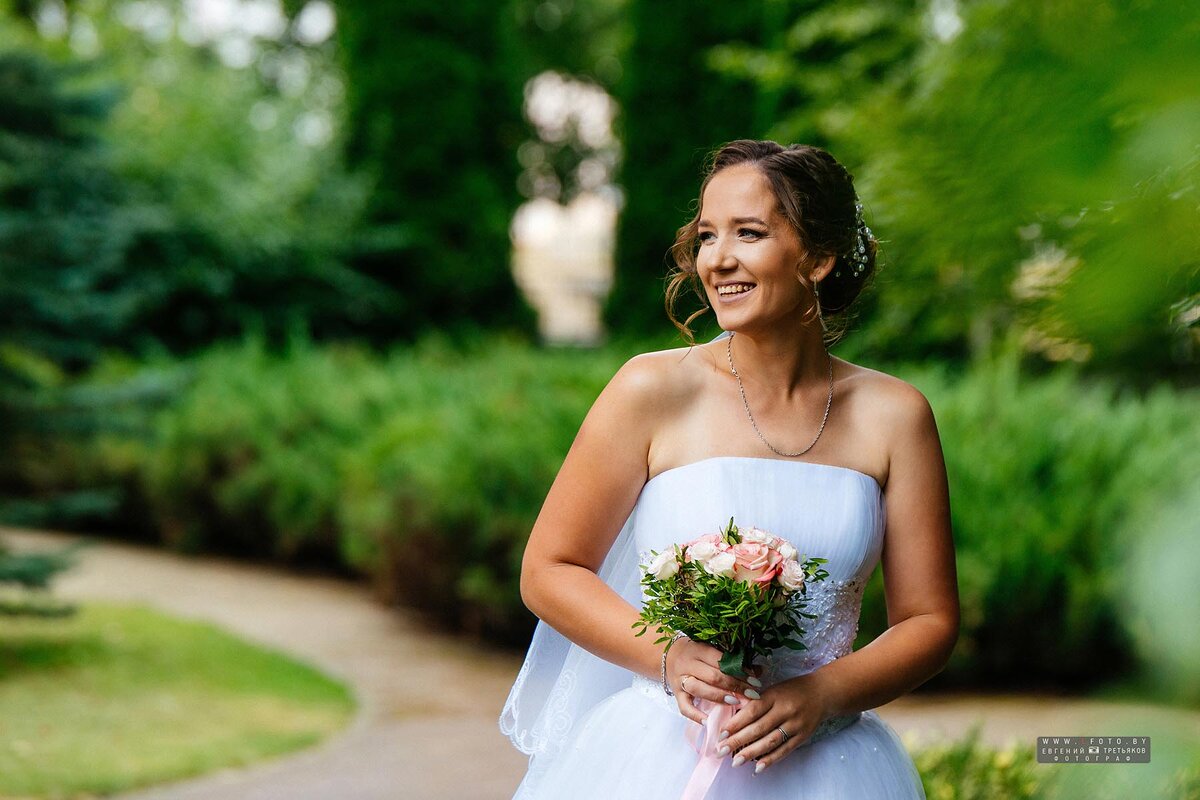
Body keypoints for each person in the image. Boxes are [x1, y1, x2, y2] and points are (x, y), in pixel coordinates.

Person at [500, 139, 958, 798]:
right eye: (708, 235)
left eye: (749, 233)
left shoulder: (895, 416)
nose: (718, 259)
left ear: (819, 259)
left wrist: (822, 694)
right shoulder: (650, 390)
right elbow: (549, 569)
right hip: (661, 758)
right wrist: (670, 656)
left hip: (830, 771)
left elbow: (930, 620)